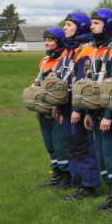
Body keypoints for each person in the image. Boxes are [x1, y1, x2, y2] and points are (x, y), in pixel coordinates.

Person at [55, 12, 100, 200]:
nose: (64, 28)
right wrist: (56, 103)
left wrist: (77, 110)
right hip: (66, 107)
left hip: (77, 108)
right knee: (72, 146)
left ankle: (89, 186)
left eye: (68, 25)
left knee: (83, 146)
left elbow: (84, 83)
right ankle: (78, 181)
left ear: (80, 27)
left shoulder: (87, 50)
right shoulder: (68, 50)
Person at [85, 8, 112, 212]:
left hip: (108, 113)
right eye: (91, 22)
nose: (91, 26)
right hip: (98, 112)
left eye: (96, 23)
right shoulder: (98, 49)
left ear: (107, 25)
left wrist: (109, 114)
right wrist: (90, 112)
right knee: (102, 156)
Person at [36, 27, 70, 189]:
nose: (46, 43)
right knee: (49, 143)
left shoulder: (64, 59)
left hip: (58, 108)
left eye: (50, 40)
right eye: (45, 40)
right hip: (45, 108)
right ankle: (56, 173)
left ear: (59, 42)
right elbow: (38, 82)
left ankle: (66, 176)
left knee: (59, 143)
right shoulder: (44, 60)